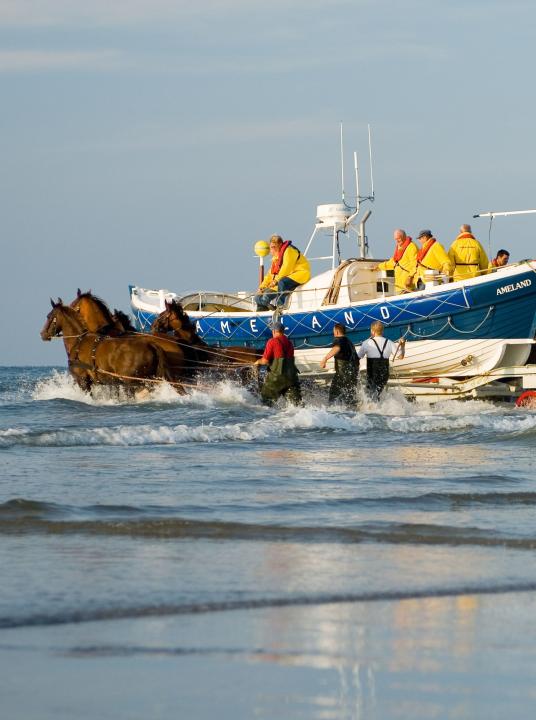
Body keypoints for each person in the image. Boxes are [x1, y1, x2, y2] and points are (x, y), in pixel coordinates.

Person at [254, 235, 311, 311]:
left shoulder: (289, 251)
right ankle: (262, 314)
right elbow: (269, 275)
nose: (271, 249)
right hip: (281, 280)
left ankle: (279, 306)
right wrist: (261, 287)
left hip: (300, 273)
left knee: (282, 282)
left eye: (274, 247)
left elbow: (286, 267)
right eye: (271, 247)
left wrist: (276, 280)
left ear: (280, 245)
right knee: (258, 297)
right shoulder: (276, 259)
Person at [254, 321, 302, 405]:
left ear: (274, 331)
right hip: (291, 378)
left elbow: (265, 361)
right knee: (296, 405)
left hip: (277, 378)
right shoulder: (289, 343)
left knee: (266, 402)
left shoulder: (272, 341)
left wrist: (257, 362)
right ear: (283, 331)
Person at [357, 321, 405, 401]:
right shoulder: (389, 342)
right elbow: (401, 356)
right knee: (379, 393)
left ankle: (373, 410)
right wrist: (403, 345)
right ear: (382, 331)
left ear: (372, 331)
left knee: (371, 395)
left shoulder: (366, 343)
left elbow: (357, 357)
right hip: (384, 373)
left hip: (372, 373)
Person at [320, 323, 360, 407]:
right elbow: (357, 360)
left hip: (342, 374)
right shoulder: (350, 342)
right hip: (353, 374)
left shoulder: (338, 339)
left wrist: (325, 359)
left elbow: (336, 348)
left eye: (334, 331)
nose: (333, 333)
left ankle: (332, 413)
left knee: (334, 394)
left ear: (337, 332)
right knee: (350, 396)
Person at [373, 229, 418, 293]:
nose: (397, 240)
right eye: (395, 239)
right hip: (399, 286)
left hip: (408, 285)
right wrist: (379, 266)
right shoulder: (399, 247)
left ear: (404, 236)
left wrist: (410, 277)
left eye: (399, 238)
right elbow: (393, 263)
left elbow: (416, 264)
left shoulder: (411, 247)